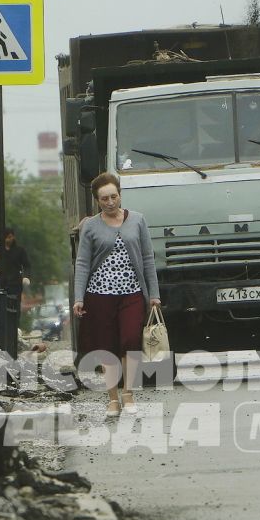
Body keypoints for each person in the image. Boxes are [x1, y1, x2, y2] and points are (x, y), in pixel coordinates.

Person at [72, 172, 160, 416]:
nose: (110, 202)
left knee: (131, 340)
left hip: (132, 292)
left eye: (113, 196)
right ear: (97, 201)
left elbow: (147, 259)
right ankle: (113, 398)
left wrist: (154, 294)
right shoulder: (90, 226)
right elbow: (82, 263)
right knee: (107, 346)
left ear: (120, 195)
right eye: (104, 199)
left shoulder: (138, 221)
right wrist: (79, 297)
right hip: (99, 295)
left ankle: (128, 393)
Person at [0, 226, 32, 356]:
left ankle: (13, 335)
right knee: (2, 310)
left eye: (11, 237)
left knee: (14, 311)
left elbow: (27, 265)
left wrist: (26, 277)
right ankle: (3, 338)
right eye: (7, 237)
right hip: (2, 284)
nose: (9, 239)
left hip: (15, 284)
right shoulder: (0, 251)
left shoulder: (19, 251)